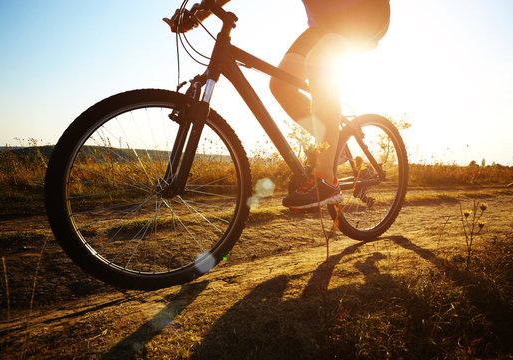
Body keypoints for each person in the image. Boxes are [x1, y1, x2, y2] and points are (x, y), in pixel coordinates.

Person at [165, 0, 391, 210]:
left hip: (366, 11)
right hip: (324, 26)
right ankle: (334, 145)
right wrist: (199, 12)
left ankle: (326, 181)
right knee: (280, 85)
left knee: (320, 64)